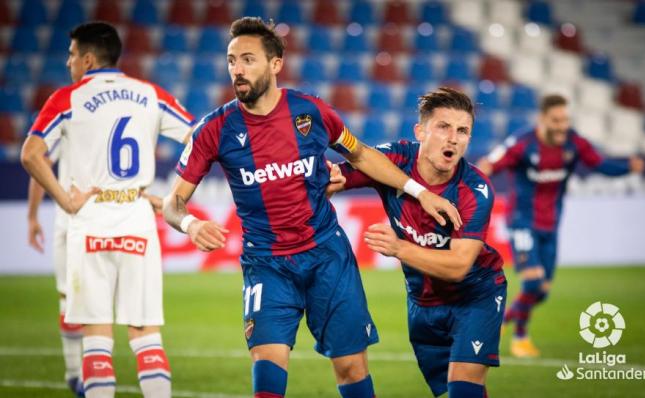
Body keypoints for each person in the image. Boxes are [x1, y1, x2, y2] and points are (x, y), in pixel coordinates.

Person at [162, 17, 461, 398]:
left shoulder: (311, 112)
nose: (237, 69)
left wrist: (420, 192)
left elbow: (362, 155)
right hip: (267, 263)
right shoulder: (214, 129)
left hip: (327, 256)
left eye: (248, 59)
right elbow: (173, 202)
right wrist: (188, 224)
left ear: (275, 64)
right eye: (232, 60)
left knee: (352, 368)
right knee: (268, 364)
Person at [21, 22, 195, 398]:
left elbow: (31, 155)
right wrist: (175, 194)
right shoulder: (150, 94)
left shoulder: (67, 98)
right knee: (145, 332)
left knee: (96, 334)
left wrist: (65, 201)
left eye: (70, 56)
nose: (68, 63)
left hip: (89, 221)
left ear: (86, 59)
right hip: (136, 216)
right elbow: (198, 137)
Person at [328, 87, 506, 398]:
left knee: (464, 386)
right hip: (422, 302)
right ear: (420, 131)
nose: (453, 138)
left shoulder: (475, 190)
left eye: (463, 131)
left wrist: (400, 248)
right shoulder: (393, 160)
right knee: (451, 391)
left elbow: (459, 267)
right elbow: (337, 176)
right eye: (443, 127)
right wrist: (329, 183)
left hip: (475, 294)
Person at [477, 94, 645, 358]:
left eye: (565, 120)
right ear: (542, 119)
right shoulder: (523, 143)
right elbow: (489, 165)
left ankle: (501, 321)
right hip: (522, 222)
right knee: (532, 283)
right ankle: (519, 337)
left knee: (542, 292)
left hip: (551, 225)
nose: (562, 126)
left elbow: (600, 164)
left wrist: (628, 168)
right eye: (556, 120)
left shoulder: (573, 142)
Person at [27, 143, 85, 397]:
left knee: (83, 301)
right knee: (72, 299)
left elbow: (37, 161)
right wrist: (32, 216)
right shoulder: (66, 120)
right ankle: (77, 373)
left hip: (89, 223)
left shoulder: (69, 118)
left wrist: (32, 216)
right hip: (73, 222)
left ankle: (81, 373)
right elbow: (37, 162)